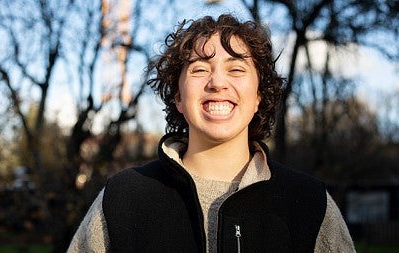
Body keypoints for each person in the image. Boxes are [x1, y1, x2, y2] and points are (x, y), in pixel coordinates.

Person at [67, 14, 355, 253]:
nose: (218, 82)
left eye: (236, 69)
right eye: (199, 69)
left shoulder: (308, 202)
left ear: (258, 96)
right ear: (178, 97)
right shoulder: (124, 198)